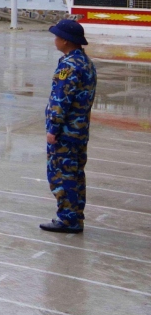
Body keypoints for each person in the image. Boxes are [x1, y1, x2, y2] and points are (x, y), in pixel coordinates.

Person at [41, 20, 97, 234]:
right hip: (79, 131)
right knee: (75, 175)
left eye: (57, 36)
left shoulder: (69, 65)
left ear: (65, 40)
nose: (55, 40)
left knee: (62, 175)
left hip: (65, 132)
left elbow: (61, 100)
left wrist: (53, 129)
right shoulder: (84, 62)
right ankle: (74, 216)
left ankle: (67, 219)